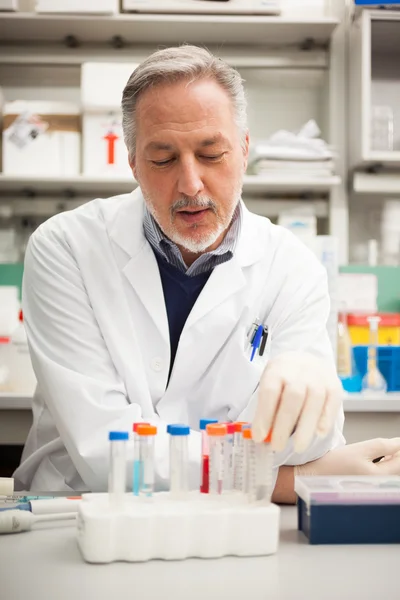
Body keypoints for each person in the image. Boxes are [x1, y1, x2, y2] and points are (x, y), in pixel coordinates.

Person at [14, 45, 400, 498]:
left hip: (234, 524)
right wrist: (287, 482)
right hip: (75, 513)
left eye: (211, 153)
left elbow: (309, 440)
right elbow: (105, 455)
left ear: (244, 150)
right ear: (133, 162)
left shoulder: (293, 268)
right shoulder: (66, 248)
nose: (191, 184)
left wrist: (308, 386)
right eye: (163, 159)